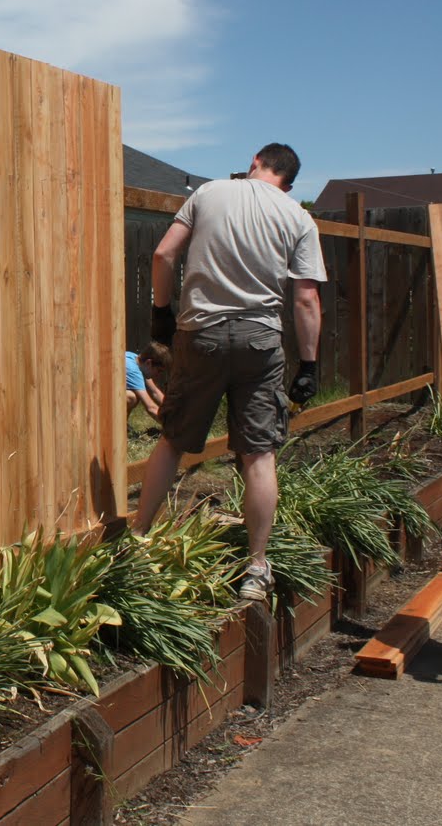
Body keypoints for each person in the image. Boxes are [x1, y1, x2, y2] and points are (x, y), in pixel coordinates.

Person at [130, 143, 326, 602]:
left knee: (174, 439)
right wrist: (310, 366)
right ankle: (257, 569)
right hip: (260, 341)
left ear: (255, 161)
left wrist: (161, 313)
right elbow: (305, 299)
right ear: (290, 183)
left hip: (202, 335)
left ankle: (137, 541)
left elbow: (163, 256)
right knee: (259, 454)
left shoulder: (209, 193)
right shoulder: (298, 216)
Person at [125, 341, 170, 420]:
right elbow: (151, 408)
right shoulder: (133, 371)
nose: (158, 375)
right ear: (149, 363)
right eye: (159, 370)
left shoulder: (134, 358)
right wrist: (175, 427)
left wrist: (173, 409)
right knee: (131, 397)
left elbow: (154, 392)